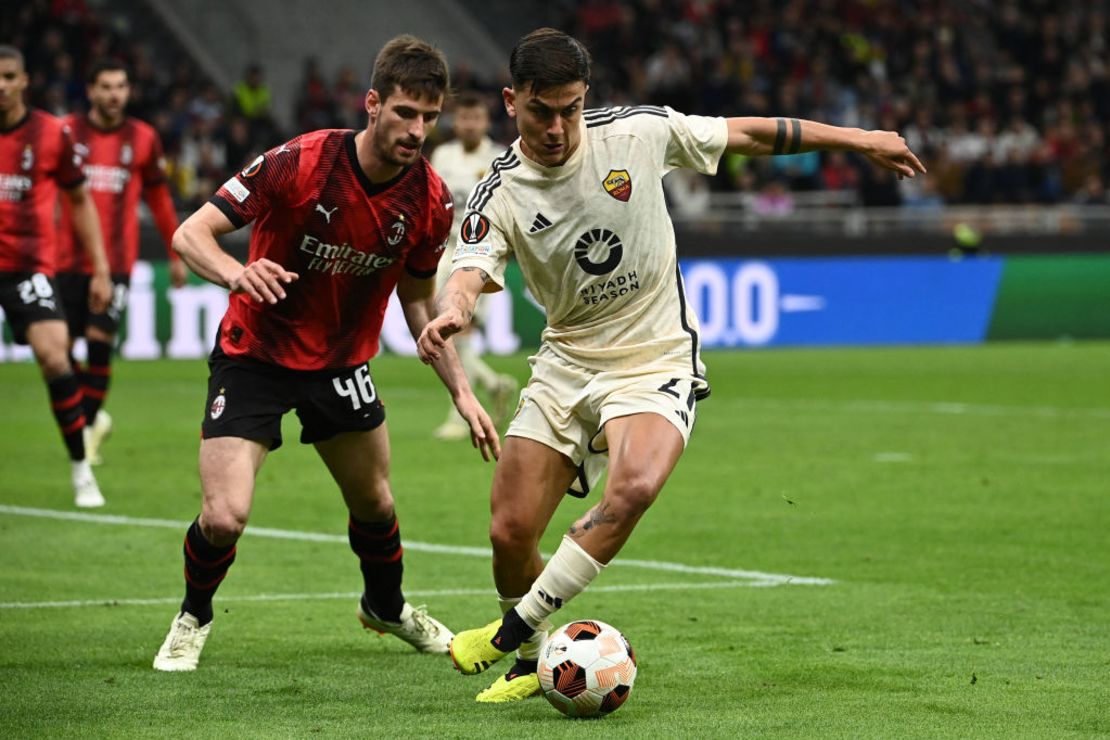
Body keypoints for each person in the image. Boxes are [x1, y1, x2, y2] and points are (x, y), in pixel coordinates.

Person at [417, 28, 926, 703]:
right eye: (542, 110)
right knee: (509, 531)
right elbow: (470, 269)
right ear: (512, 102)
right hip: (566, 358)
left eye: (570, 109)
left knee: (632, 489)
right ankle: (535, 664)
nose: (557, 127)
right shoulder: (499, 192)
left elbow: (748, 134)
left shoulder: (638, 133)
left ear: (585, 99)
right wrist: (452, 310)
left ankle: (510, 634)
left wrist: (859, 139)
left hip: (654, 352)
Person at [152, 35, 501, 672]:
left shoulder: (429, 200)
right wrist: (236, 274)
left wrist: (462, 391)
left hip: (340, 364)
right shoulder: (302, 160)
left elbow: (421, 305)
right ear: (372, 104)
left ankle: (386, 607)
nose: (418, 129)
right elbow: (189, 233)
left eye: (429, 116)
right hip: (254, 353)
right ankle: (193, 615)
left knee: (376, 503)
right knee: (225, 517)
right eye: (405, 113)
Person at [56, 58, 189, 466]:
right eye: (106, 86)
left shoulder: (144, 139)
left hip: (115, 262)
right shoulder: (66, 134)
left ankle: (86, 430)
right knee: (58, 352)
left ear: (128, 91)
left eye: (121, 86)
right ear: (91, 91)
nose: (115, 94)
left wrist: (176, 251)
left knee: (99, 343)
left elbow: (160, 200)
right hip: (63, 260)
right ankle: (89, 419)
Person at [0, 45, 112, 508]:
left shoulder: (50, 134)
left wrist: (101, 268)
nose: (0, 86)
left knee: (55, 357)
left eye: (8, 76)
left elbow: (80, 201)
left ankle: (81, 468)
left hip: (27, 268)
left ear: (24, 79)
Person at [428, 90, 517, 441]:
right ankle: (494, 383)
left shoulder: (500, 157)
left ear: (485, 122)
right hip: (446, 250)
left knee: (459, 329)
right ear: (456, 121)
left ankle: (457, 414)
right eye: (463, 118)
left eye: (475, 118)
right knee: (445, 327)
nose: (469, 124)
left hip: (482, 252)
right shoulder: (443, 155)